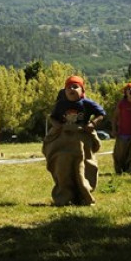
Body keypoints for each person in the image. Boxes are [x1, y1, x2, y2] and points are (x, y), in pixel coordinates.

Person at [43, 76, 106, 206]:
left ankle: (84, 194)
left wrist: (93, 123)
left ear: (82, 90)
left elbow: (101, 114)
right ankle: (64, 197)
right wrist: (56, 125)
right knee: (63, 168)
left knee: (83, 167)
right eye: (68, 87)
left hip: (81, 140)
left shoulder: (87, 103)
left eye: (75, 86)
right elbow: (52, 117)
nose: (71, 89)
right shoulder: (61, 104)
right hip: (63, 140)